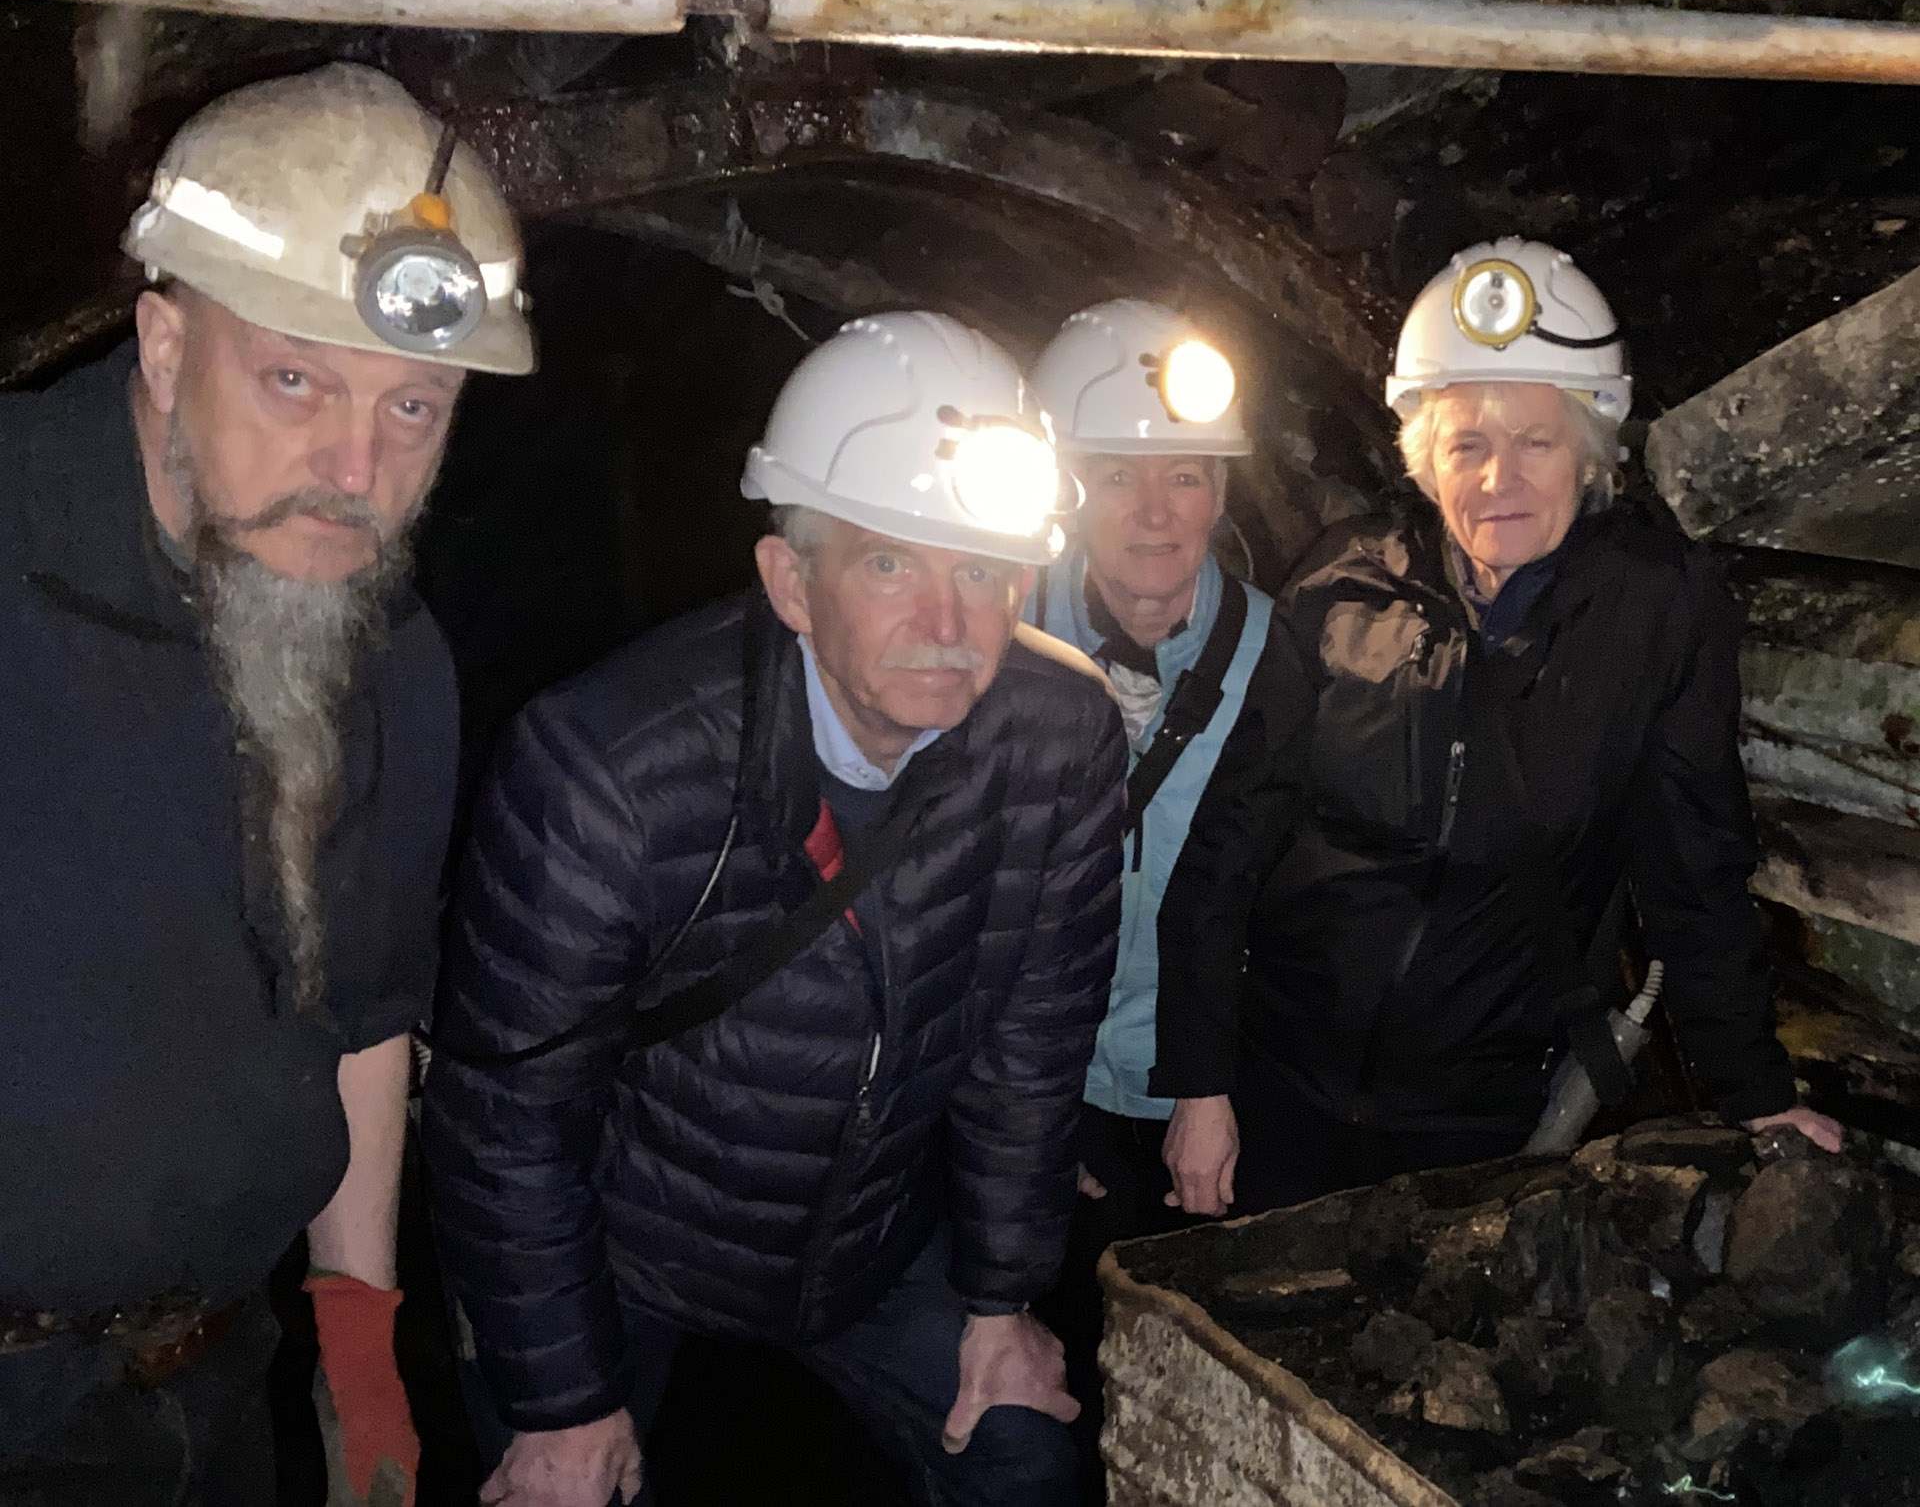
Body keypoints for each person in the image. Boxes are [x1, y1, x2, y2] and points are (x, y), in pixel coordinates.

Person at [422, 311, 1128, 1507]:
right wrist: (563, 1402)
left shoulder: (1057, 736)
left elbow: (1032, 1040)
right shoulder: (605, 770)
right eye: (892, 562)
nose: (950, 625)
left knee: (1023, 1454)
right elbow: (506, 1120)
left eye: (985, 571)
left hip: (871, 1235)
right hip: (620, 1236)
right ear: (792, 581)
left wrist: (1003, 1298)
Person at [0, 63, 532, 1507]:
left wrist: (357, 1339)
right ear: (166, 348)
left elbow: (362, 1013)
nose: (352, 466)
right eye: (293, 379)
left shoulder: (390, 657)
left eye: (413, 408)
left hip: (210, 1393)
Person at [1155, 237, 1841, 1221]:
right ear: (1425, 457)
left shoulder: (1653, 612)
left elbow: (1692, 868)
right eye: (1467, 442)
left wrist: (1757, 1094)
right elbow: (1227, 845)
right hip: (1282, 1081)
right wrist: (1199, 1081)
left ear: (1592, 452)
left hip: (1480, 1115)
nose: (1497, 477)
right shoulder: (1342, 583)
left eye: (1536, 440)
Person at [1023, 299, 1276, 1497]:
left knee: (1217, 1391)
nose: (1158, 511)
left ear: (1223, 489)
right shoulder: (988, 637)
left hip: (1214, 1095)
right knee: (1059, 1383)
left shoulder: (1293, 653)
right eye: (1119, 475)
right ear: (1067, 485)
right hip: (1046, 1091)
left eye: (1186, 473)